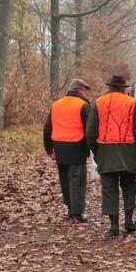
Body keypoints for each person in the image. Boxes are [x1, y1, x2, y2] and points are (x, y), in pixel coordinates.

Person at [87, 74, 136, 237]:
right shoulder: (131, 102)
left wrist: (96, 150)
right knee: (129, 185)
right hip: (128, 151)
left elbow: (91, 131)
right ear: (123, 88)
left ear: (110, 87)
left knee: (109, 188)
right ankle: (128, 220)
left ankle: (114, 225)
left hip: (106, 151)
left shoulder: (98, 103)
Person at [43, 79, 92, 222]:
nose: (86, 93)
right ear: (79, 89)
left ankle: (70, 211)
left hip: (60, 147)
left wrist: (49, 149)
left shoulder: (56, 105)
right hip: (77, 147)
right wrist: (93, 148)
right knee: (77, 180)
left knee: (65, 180)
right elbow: (89, 130)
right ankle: (78, 214)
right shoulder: (83, 105)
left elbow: (47, 128)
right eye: (85, 90)